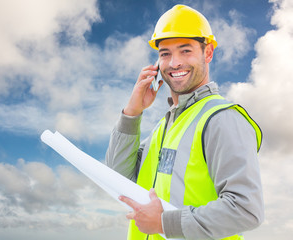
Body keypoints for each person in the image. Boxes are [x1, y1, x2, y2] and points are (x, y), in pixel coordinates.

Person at [105, 4, 264, 240]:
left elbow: (246, 209)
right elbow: (116, 177)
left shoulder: (222, 119)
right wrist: (132, 112)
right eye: (165, 54)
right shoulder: (165, 127)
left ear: (207, 53)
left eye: (185, 50)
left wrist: (163, 223)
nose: (174, 63)